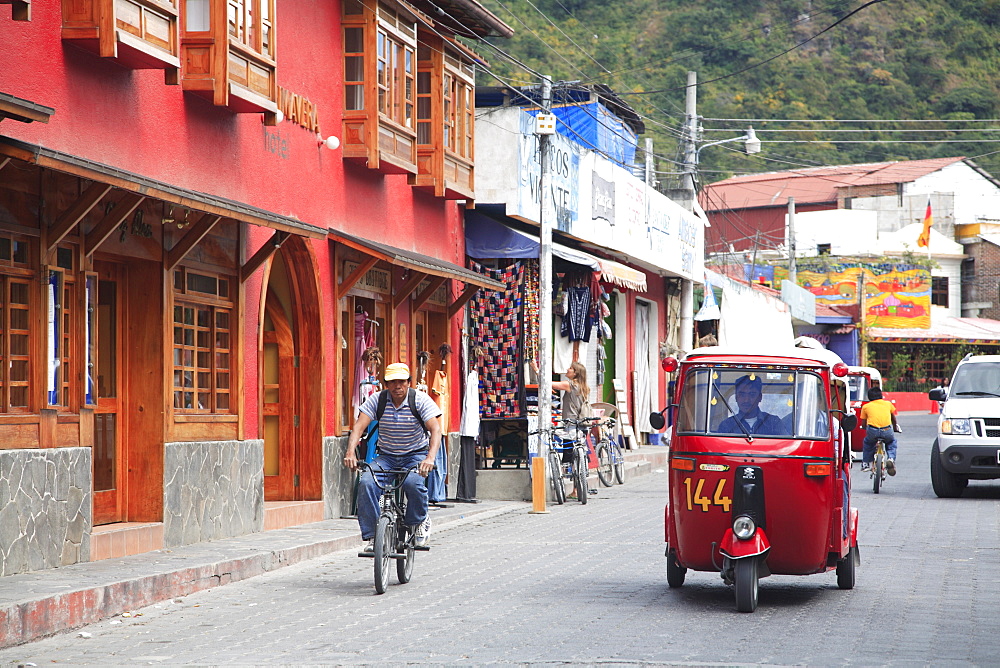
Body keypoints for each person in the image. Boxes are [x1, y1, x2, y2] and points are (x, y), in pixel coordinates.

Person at [344, 362, 443, 552]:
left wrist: (429, 458)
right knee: (366, 483)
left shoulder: (420, 400)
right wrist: (350, 453)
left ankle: (419, 520)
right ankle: (373, 536)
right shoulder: (378, 400)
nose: (397, 386)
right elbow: (358, 427)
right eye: (392, 382)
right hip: (386, 456)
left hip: (415, 456)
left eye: (402, 381)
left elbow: (435, 430)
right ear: (386, 384)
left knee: (412, 484)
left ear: (408, 382)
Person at [717, 374, 786, 436]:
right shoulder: (726, 425)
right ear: (736, 397)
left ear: (760, 397)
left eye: (752, 394)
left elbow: (784, 447)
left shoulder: (774, 423)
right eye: (742, 395)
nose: (746, 400)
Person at [859, 387, 899, 475]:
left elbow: (864, 422)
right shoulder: (888, 404)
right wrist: (895, 427)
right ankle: (891, 458)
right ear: (881, 395)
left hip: (873, 431)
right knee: (891, 442)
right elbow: (893, 418)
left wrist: (864, 427)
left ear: (869, 397)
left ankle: (865, 463)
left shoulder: (866, 407)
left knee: (868, 443)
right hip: (887, 430)